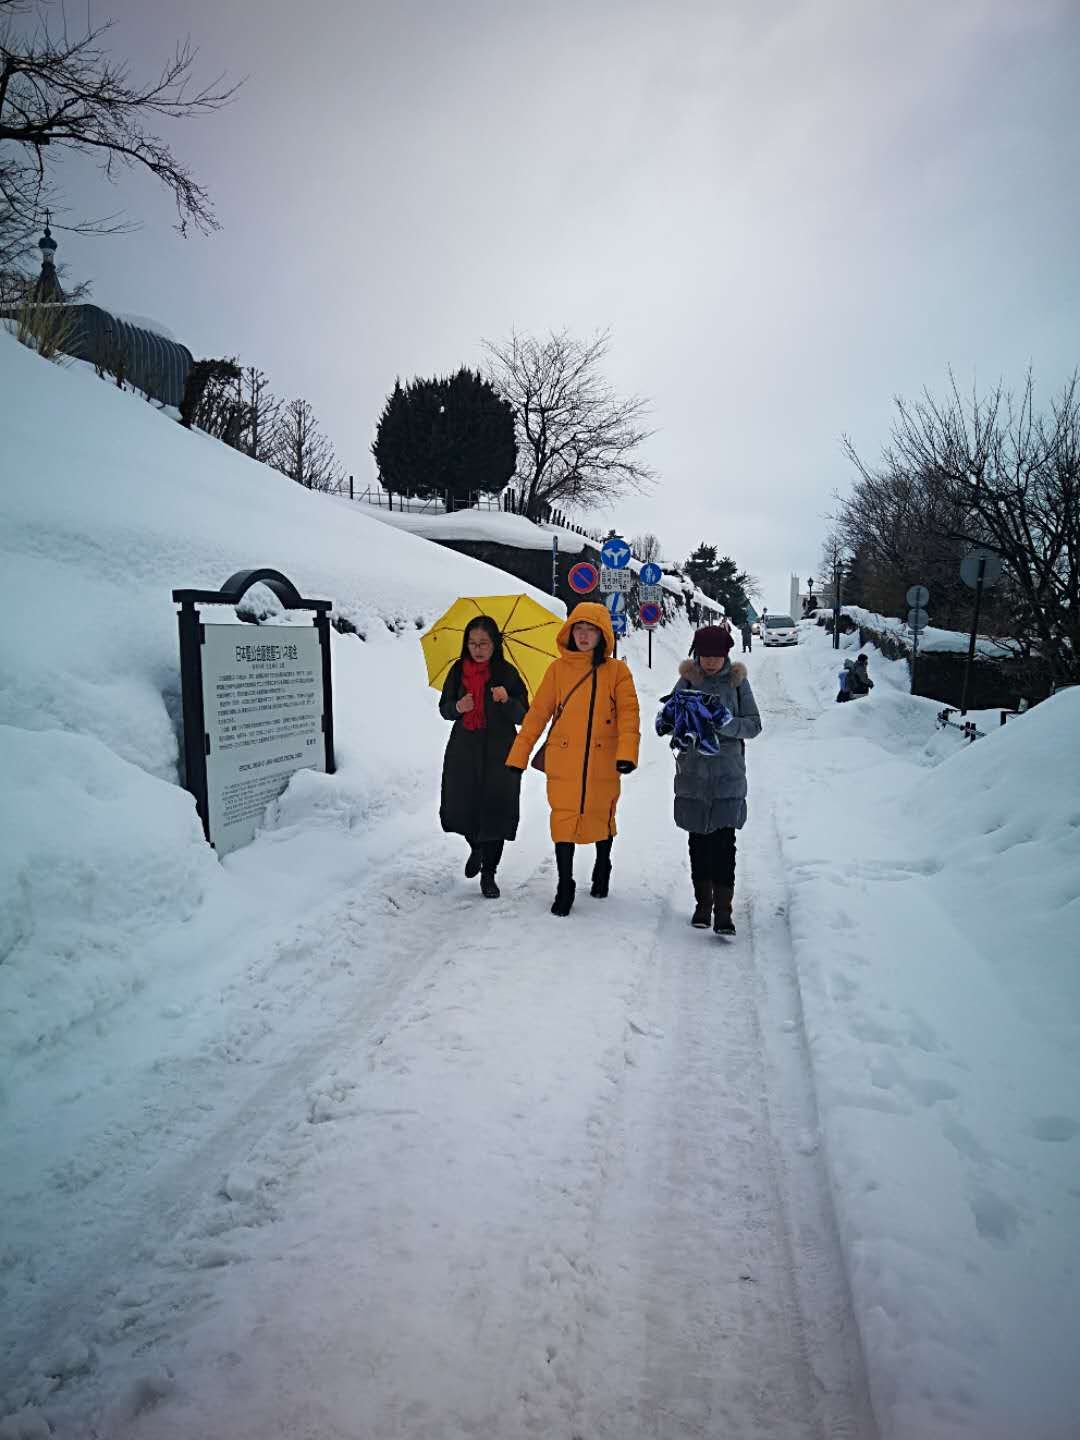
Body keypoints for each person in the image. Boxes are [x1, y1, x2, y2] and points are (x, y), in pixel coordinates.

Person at [506, 602, 640, 916]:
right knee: (563, 819)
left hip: (603, 761)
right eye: (578, 628)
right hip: (563, 758)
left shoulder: (617, 671)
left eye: (590, 629)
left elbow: (629, 716)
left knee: (601, 816)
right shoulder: (557, 669)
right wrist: (518, 756)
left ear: (602, 634)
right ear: (569, 631)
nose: (583, 635)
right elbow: (537, 714)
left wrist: (626, 754)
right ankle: (564, 884)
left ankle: (602, 863)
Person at [656, 625, 762, 935]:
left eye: (717, 656)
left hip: (727, 775)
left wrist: (725, 723)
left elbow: (754, 725)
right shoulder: (689, 679)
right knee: (698, 842)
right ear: (697, 655)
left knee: (724, 843)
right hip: (693, 776)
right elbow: (669, 716)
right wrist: (670, 721)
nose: (711, 662)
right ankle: (703, 905)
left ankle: (724, 911)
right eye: (706, 656)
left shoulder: (737, 682)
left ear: (727, 655)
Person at [438, 616, 528, 898]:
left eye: (484, 644)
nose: (477, 649)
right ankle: (476, 847)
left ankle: (489, 874)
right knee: (462, 805)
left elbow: (525, 715)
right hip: (464, 749)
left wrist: (507, 700)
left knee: (495, 811)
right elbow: (444, 708)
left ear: (494, 645)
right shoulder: (457, 671)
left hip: (500, 752)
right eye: (472, 643)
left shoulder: (508, 674)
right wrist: (458, 706)